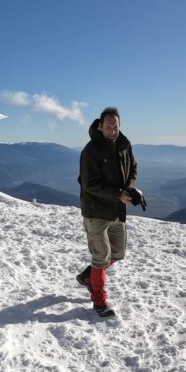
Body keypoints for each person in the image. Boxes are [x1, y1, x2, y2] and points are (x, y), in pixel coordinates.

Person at [75, 106, 138, 318]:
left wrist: (130, 188)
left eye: (115, 127)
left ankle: (88, 276)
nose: (112, 131)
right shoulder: (91, 150)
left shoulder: (124, 145)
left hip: (117, 211)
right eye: (108, 127)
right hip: (95, 213)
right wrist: (118, 194)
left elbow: (133, 168)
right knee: (101, 257)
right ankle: (100, 302)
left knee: (117, 253)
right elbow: (89, 184)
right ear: (100, 126)